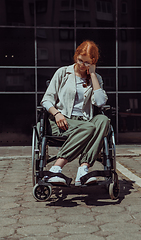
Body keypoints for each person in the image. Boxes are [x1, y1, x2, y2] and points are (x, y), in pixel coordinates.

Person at [41, 40, 110, 186]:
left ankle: (83, 170)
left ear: (93, 61)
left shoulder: (96, 79)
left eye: (86, 62)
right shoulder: (63, 73)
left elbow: (100, 102)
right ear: (76, 56)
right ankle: (56, 169)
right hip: (62, 122)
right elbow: (46, 100)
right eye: (80, 60)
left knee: (103, 121)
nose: (82, 65)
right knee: (89, 128)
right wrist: (56, 113)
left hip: (84, 122)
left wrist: (92, 75)